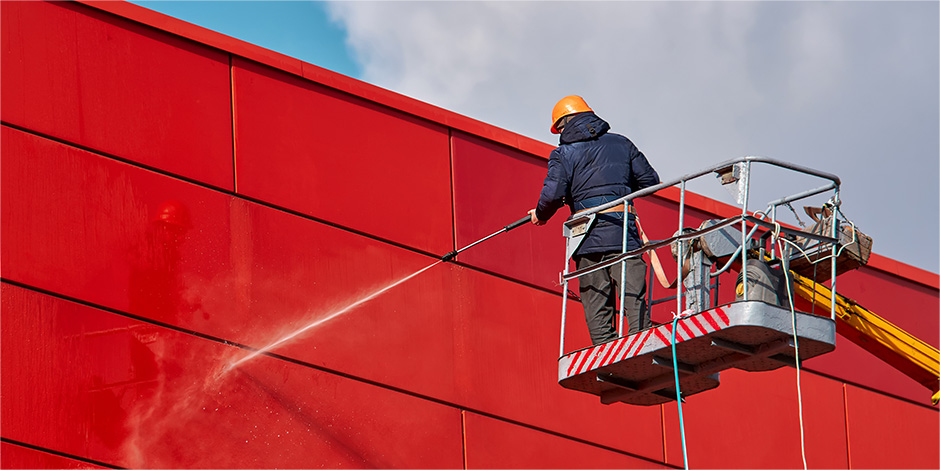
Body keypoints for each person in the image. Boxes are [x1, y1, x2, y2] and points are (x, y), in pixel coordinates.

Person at [529, 95, 661, 345]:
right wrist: (617, 187)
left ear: (564, 123)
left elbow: (553, 193)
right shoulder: (622, 144)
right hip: (623, 232)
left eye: (558, 128)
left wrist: (540, 214)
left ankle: (605, 351)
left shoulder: (563, 154)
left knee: (595, 298)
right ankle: (642, 342)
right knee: (633, 294)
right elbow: (650, 183)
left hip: (586, 238)